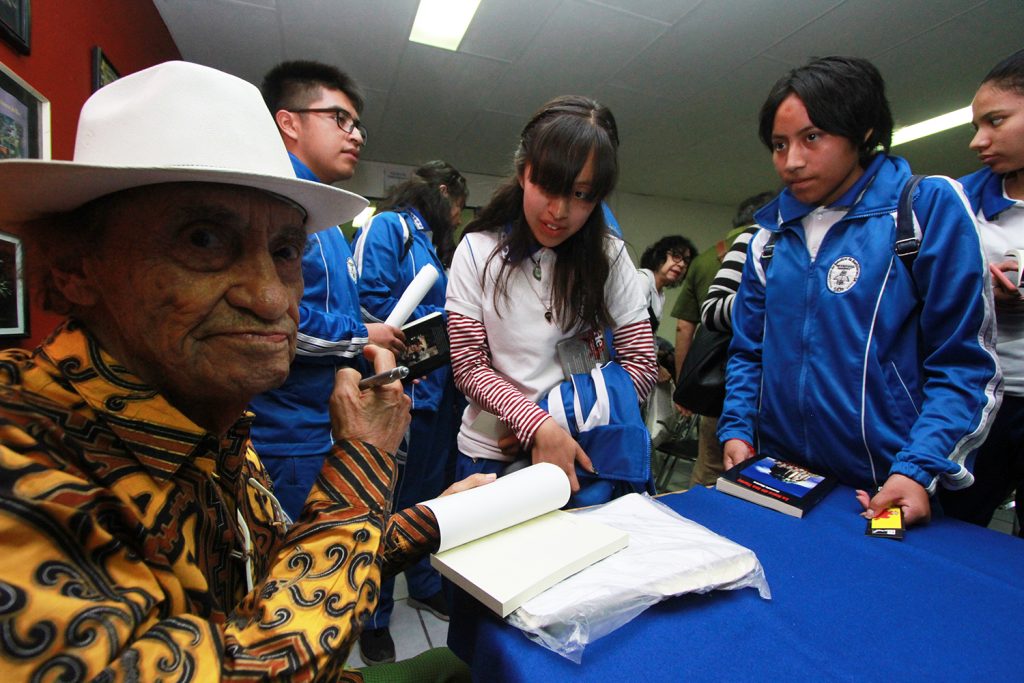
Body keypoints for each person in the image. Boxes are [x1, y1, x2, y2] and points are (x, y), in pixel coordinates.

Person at [0, 61, 489, 681]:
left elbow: (274, 569)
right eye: (203, 240)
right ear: (76, 268)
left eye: (285, 251)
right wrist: (364, 458)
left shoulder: (211, 415)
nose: (271, 297)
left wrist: (434, 518)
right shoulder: (20, 454)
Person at [718, 56, 1001, 527]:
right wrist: (737, 428)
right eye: (779, 144)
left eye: (812, 138)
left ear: (863, 132)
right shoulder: (768, 237)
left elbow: (965, 365)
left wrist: (918, 468)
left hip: (887, 484)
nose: (791, 161)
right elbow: (749, 352)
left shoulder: (924, 208)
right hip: (783, 478)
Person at [445, 95, 658, 496]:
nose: (559, 211)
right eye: (548, 186)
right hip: (490, 453)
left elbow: (642, 363)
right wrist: (533, 424)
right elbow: (469, 367)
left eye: (581, 195)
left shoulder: (608, 256)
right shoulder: (476, 250)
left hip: (580, 450)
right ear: (524, 172)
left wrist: (556, 420)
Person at [249, 60, 405, 523]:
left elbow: (330, 305)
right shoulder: (275, 209)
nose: (355, 134)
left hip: (326, 424)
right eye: (339, 119)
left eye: (358, 125)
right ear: (288, 121)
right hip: (288, 436)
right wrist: (362, 336)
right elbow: (277, 322)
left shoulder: (327, 219)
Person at [351, 161, 468, 660]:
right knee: (389, 499)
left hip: (439, 391)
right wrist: (433, 324)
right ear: (444, 194)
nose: (457, 218)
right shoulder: (390, 226)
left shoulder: (431, 248)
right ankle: (374, 614)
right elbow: (372, 301)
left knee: (426, 496)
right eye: (458, 208)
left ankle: (421, 582)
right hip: (408, 388)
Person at [940, 49, 1024, 536]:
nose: (978, 141)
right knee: (954, 525)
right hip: (978, 399)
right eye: (976, 125)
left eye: (996, 121)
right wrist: (981, 292)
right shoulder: (957, 201)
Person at [677, 192, 775, 487]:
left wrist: (684, 387)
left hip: (720, 389)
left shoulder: (705, 258)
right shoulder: (758, 241)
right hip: (742, 388)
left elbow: (685, 327)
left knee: (710, 471)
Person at [637, 234, 697, 327]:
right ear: (659, 255)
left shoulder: (660, 294)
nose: (681, 264)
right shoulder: (642, 280)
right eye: (676, 256)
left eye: (686, 261)